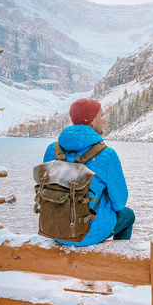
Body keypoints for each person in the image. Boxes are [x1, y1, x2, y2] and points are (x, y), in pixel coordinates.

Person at [43, 98, 135, 246]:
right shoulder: (107, 154)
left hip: (55, 229)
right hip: (86, 234)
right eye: (101, 115)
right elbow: (119, 203)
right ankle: (118, 259)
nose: (104, 120)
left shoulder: (51, 149)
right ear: (91, 120)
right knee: (128, 215)